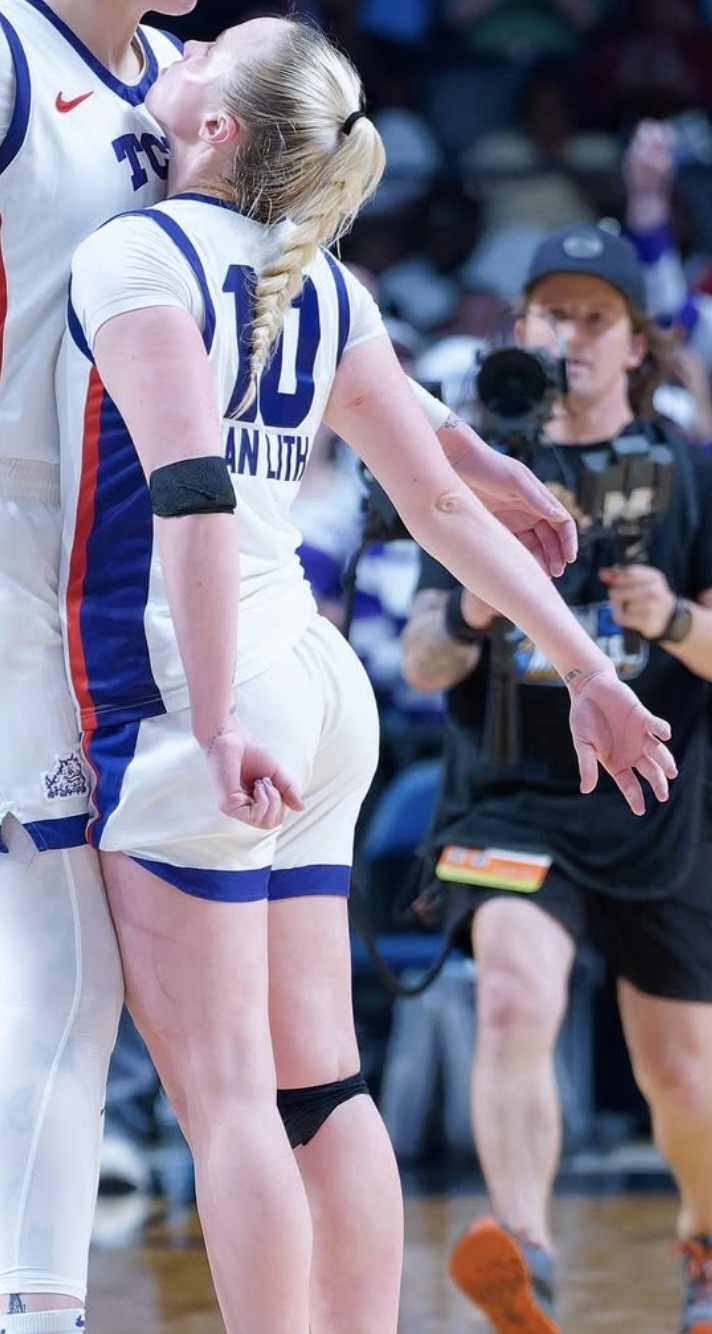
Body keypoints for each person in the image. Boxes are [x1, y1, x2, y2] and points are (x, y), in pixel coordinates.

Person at [55, 23, 676, 1334]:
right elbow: (442, 502)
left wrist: (209, 722)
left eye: (210, 51)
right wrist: (584, 668)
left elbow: (193, 495)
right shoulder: (325, 282)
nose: (183, 45)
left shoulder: (135, 251)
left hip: (204, 681)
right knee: (320, 1085)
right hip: (320, 682)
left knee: (229, 1099)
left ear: (218, 128)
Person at [401, 222, 712, 1334]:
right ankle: (525, 1255)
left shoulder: (690, 468)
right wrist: (476, 602)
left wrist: (670, 620)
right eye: (551, 313)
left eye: (594, 317)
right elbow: (419, 661)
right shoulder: (470, 469)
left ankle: (703, 1244)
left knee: (682, 1073)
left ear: (636, 342)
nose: (570, 335)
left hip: (657, 795)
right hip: (514, 793)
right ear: (520, 328)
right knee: (511, 996)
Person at [0, 2, 199, 1331]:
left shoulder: (185, 77)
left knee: (75, 970)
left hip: (119, 562)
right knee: (67, 966)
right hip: (16, 546)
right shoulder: (9, 51)